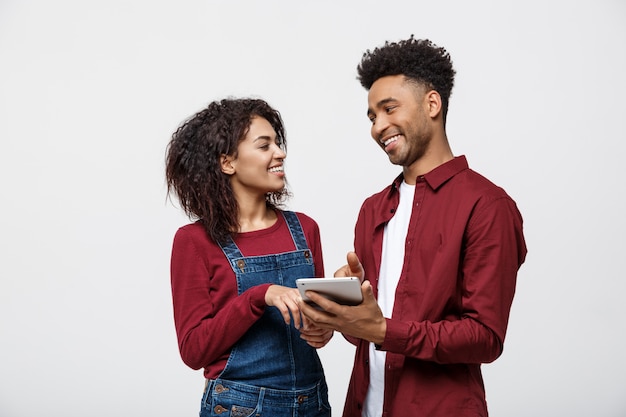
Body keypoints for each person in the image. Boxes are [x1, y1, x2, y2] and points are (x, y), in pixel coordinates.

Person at [298, 36, 527, 417]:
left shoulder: (488, 206)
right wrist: (342, 314)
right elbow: (366, 331)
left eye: (389, 109)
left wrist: (383, 330)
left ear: (432, 104)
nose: (378, 126)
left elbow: (485, 337)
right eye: (372, 116)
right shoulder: (373, 209)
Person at [166, 98, 333, 417]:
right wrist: (259, 296)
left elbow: (317, 322)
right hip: (241, 406)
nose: (280, 153)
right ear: (227, 162)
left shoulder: (306, 228)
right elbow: (193, 350)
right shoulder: (194, 242)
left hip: (311, 401)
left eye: (278, 143)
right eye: (264, 145)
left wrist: (323, 329)